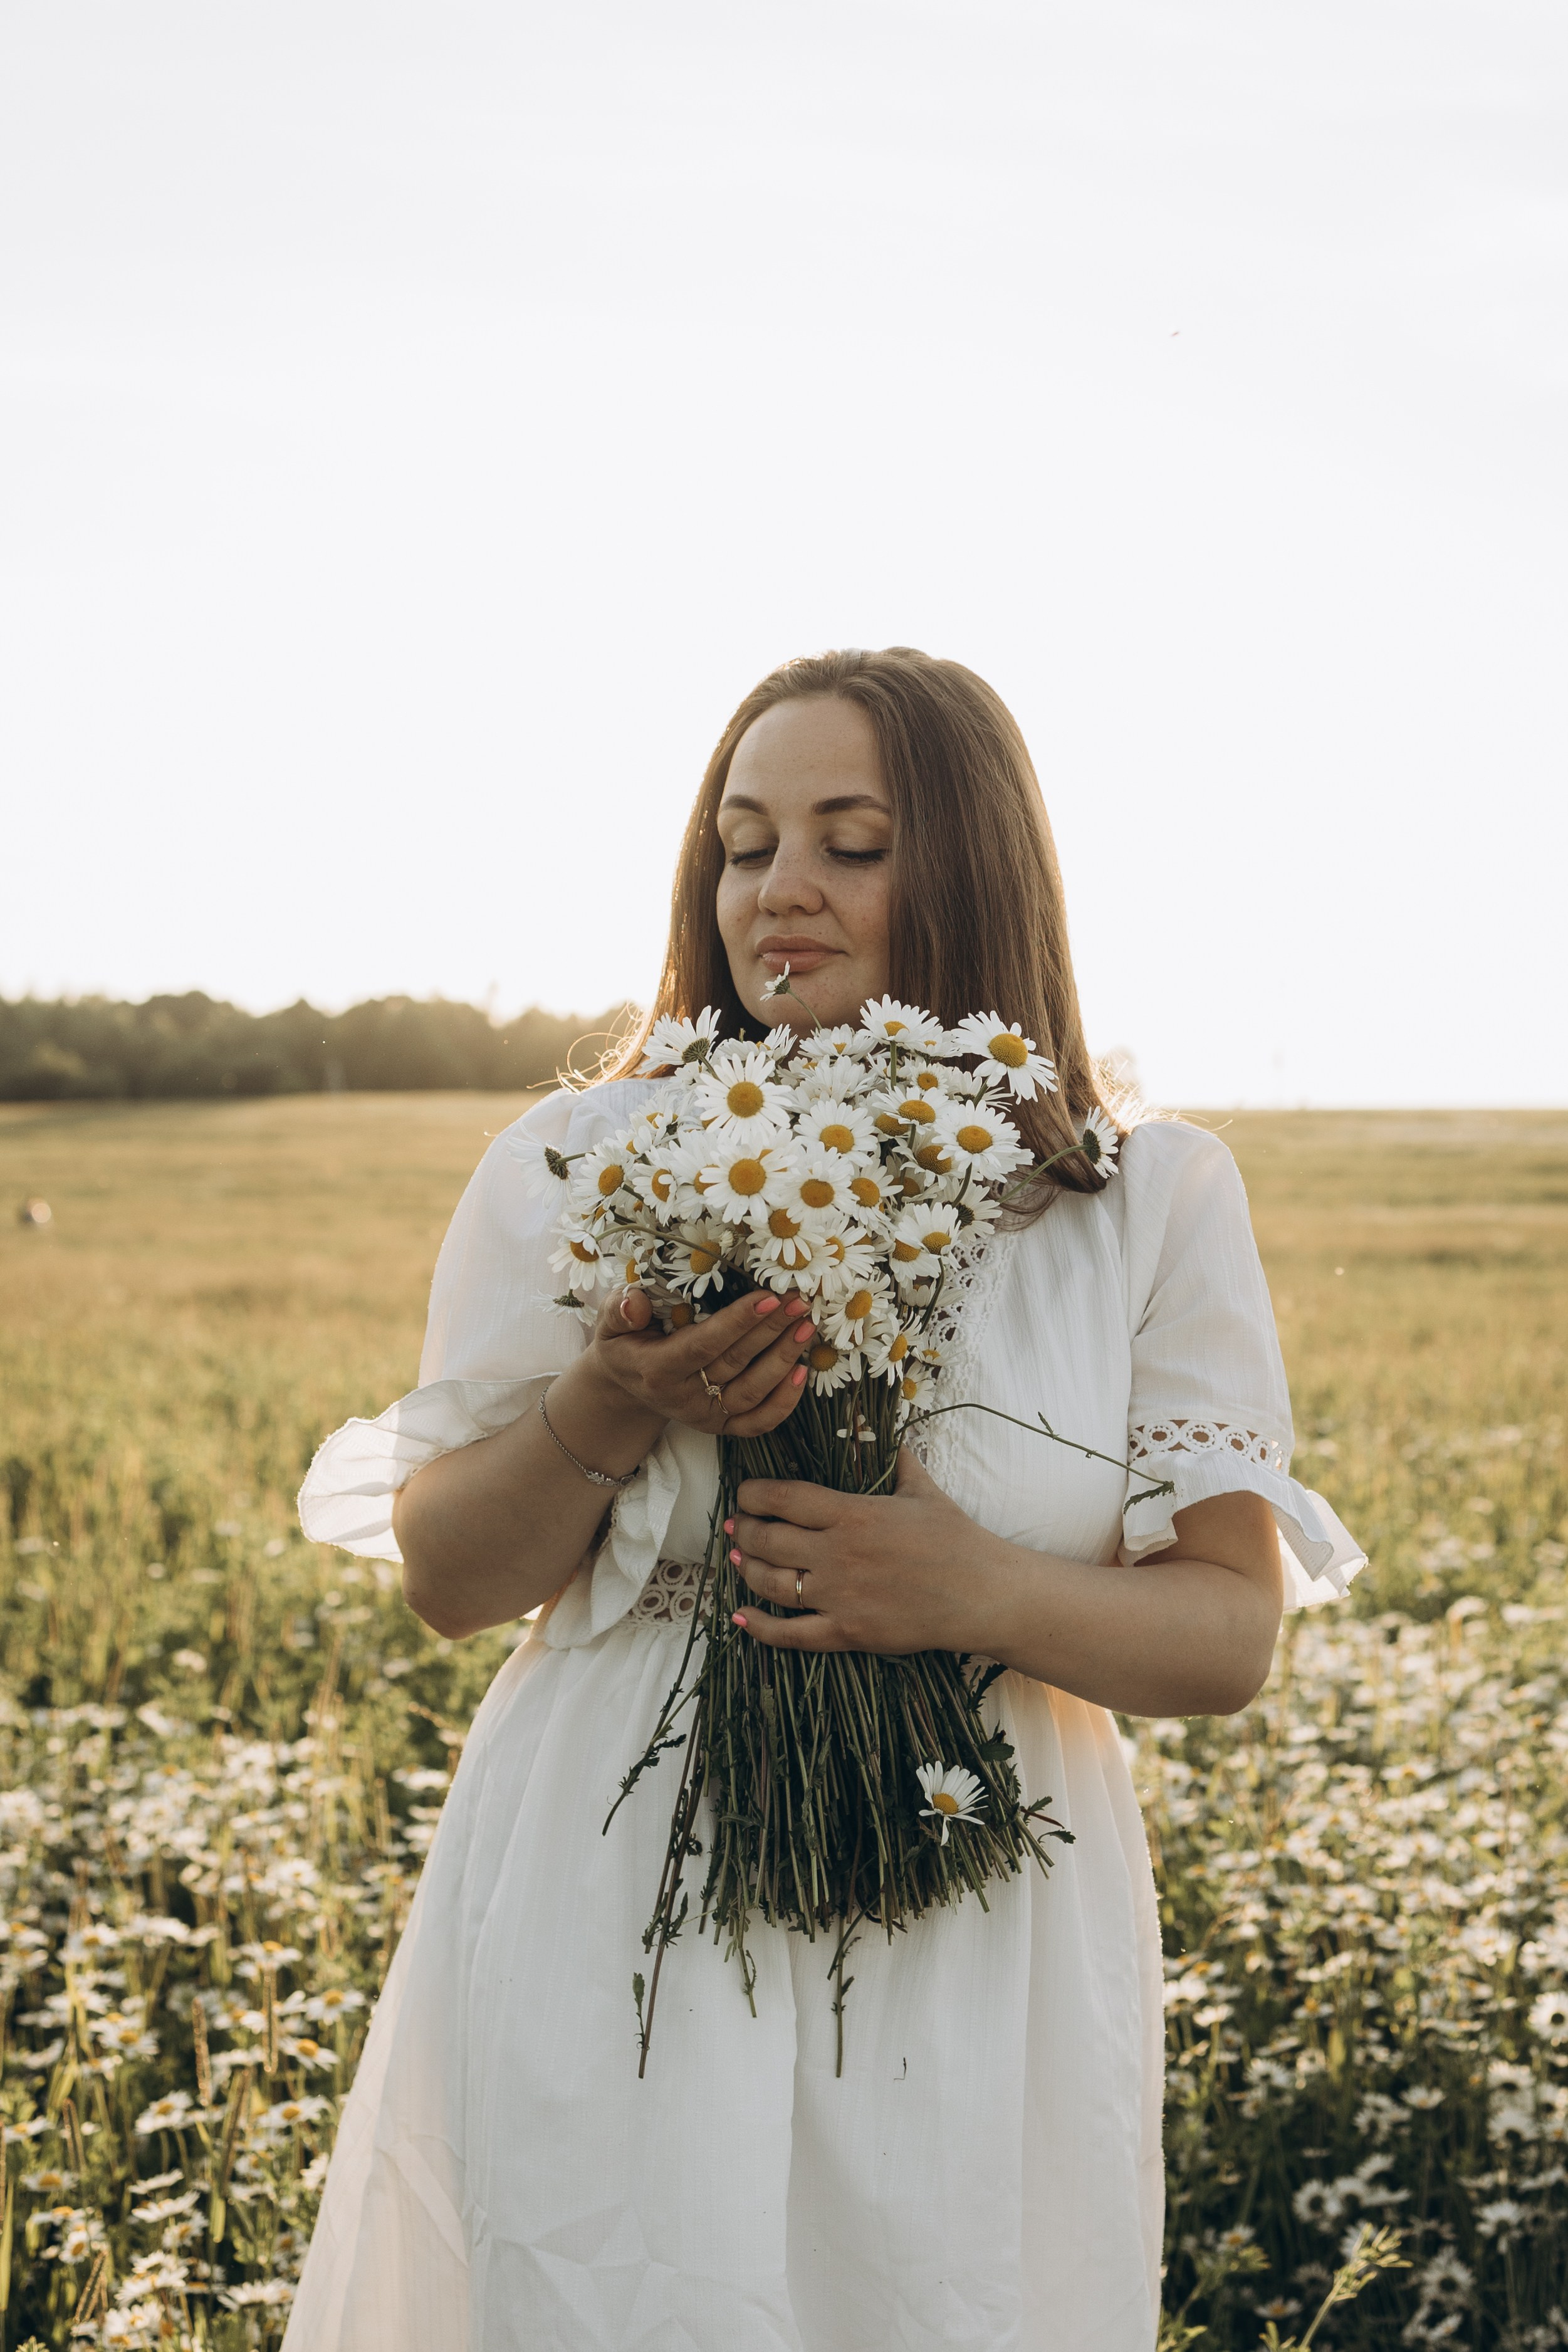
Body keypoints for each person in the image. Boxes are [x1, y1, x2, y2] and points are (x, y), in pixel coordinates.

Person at [285, 647, 1364, 2352]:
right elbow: (445, 1574)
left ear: (975, 865)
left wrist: (968, 1585)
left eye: (851, 841)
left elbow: (1231, 1632)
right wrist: (608, 1400)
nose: (778, 889)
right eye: (743, 841)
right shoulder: (588, 1159)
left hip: (976, 1909)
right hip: (619, 1891)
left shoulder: (1139, 1196)